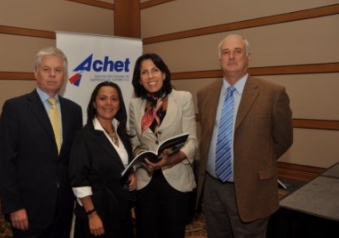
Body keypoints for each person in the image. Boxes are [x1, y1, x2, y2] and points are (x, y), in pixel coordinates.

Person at [196, 34, 293, 238]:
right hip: (213, 189)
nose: (231, 56)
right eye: (226, 52)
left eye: (237, 51)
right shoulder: (205, 94)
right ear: (219, 59)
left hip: (252, 188)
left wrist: (254, 164)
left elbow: (283, 139)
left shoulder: (273, 94)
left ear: (248, 57)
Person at [0, 46, 83, 237]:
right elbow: (4, 163)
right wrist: (13, 206)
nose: (52, 75)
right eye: (46, 69)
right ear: (36, 73)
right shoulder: (15, 108)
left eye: (58, 70)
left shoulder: (74, 111)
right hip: (28, 209)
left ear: (64, 76)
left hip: (64, 207)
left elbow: (73, 159)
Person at [129, 53, 198, 238]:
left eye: (155, 70)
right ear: (139, 79)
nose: (150, 76)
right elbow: (133, 139)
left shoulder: (183, 98)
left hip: (175, 178)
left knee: (173, 232)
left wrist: (169, 160)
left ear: (164, 74)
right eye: (144, 72)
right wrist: (140, 152)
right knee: (146, 231)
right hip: (146, 178)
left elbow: (192, 141)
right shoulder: (135, 104)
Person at [69, 81, 136, 238]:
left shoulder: (121, 133)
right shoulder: (84, 136)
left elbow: (121, 162)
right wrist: (92, 214)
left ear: (119, 105)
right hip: (96, 215)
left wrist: (131, 172)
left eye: (114, 99)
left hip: (121, 212)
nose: (108, 103)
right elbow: (79, 180)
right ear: (94, 103)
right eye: (103, 98)